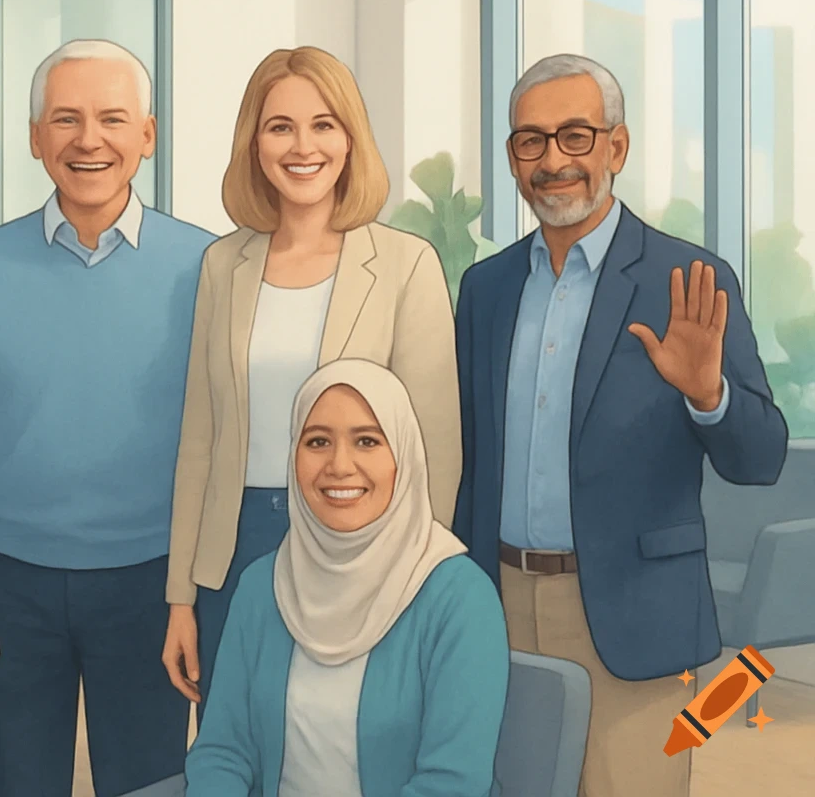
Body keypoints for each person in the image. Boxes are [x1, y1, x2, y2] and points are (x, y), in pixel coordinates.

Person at [451, 53, 789, 796]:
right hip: (499, 601)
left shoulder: (689, 280)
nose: (552, 161)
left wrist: (708, 393)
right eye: (530, 141)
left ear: (617, 147)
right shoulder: (487, 288)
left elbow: (761, 457)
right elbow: (470, 458)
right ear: (513, 158)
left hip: (631, 614)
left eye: (575, 135)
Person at [0, 39, 216, 796]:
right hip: (7, 584)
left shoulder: (206, 267)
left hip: (150, 586)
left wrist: (187, 592)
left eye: (112, 119)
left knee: (150, 786)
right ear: (34, 137)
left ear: (147, 136)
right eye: (66, 119)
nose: (89, 140)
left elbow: (221, 443)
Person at [162, 45, 461, 716]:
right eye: (281, 127)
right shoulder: (222, 264)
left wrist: (419, 582)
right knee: (239, 745)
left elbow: (435, 448)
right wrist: (181, 593)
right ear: (254, 142)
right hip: (235, 550)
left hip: (362, 546)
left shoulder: (406, 265)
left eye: (324, 124)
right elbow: (199, 443)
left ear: (350, 139)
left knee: (339, 748)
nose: (303, 146)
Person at [186, 359, 508, 797]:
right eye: (317, 441)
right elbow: (223, 752)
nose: (340, 465)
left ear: (403, 457)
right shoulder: (263, 586)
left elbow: (452, 783)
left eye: (367, 441)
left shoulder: (459, 598)